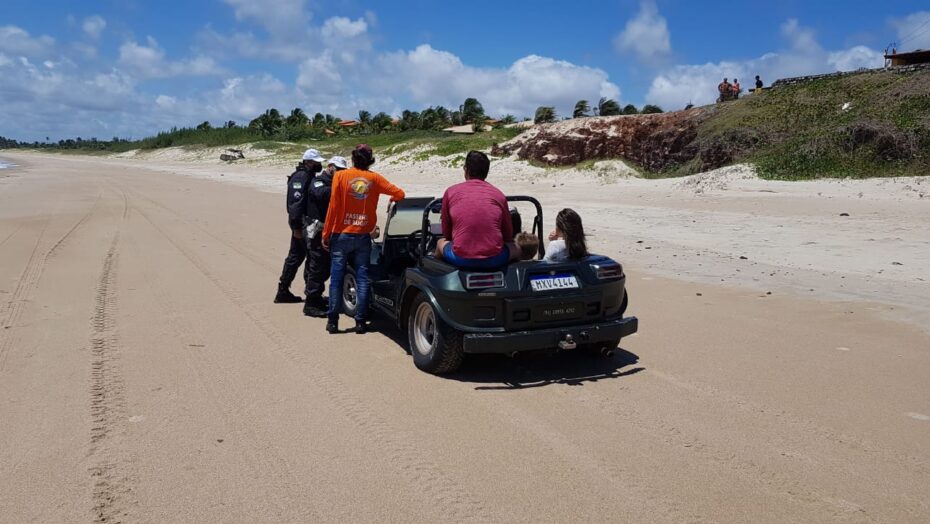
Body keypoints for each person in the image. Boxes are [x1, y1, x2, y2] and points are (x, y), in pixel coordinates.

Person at [322, 144, 405, 334]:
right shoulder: (374, 178)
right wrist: (392, 200)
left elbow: (333, 208)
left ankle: (333, 321)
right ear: (370, 160)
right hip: (363, 237)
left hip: (341, 235)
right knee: (363, 278)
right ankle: (360, 322)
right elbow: (400, 193)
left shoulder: (340, 176)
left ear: (353, 159)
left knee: (336, 279)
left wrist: (326, 234)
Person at [435, 151, 516, 269]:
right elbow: (508, 234)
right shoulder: (498, 194)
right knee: (517, 248)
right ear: (486, 172)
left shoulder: (451, 192)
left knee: (440, 243)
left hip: (461, 258)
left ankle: (438, 270)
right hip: (495, 259)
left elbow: (446, 232)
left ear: (466, 170)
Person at [275, 148, 325, 303]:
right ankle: (310, 294)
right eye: (317, 162)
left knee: (297, 257)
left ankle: (285, 290)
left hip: (304, 223)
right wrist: (296, 227)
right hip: (303, 224)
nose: (319, 164)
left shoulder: (308, 175)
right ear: (308, 162)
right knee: (309, 257)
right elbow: (295, 204)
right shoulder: (302, 177)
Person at [301, 155, 347, 317]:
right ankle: (311, 302)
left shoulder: (335, 182)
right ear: (330, 167)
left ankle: (315, 296)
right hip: (316, 229)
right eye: (338, 170)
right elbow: (320, 194)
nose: (340, 173)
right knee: (317, 264)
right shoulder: (319, 181)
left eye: (343, 171)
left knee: (321, 265)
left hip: (328, 230)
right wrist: (340, 188)